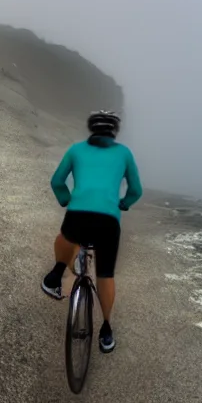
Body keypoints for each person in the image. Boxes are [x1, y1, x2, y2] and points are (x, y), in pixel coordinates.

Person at [41, 110, 142, 353]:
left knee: (68, 236)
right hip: (108, 221)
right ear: (114, 131)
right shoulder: (124, 153)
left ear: (92, 129)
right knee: (105, 275)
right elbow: (136, 190)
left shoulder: (76, 149)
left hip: (78, 215)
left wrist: (66, 200)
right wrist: (123, 204)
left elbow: (57, 181)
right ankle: (106, 330)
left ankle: (54, 275)